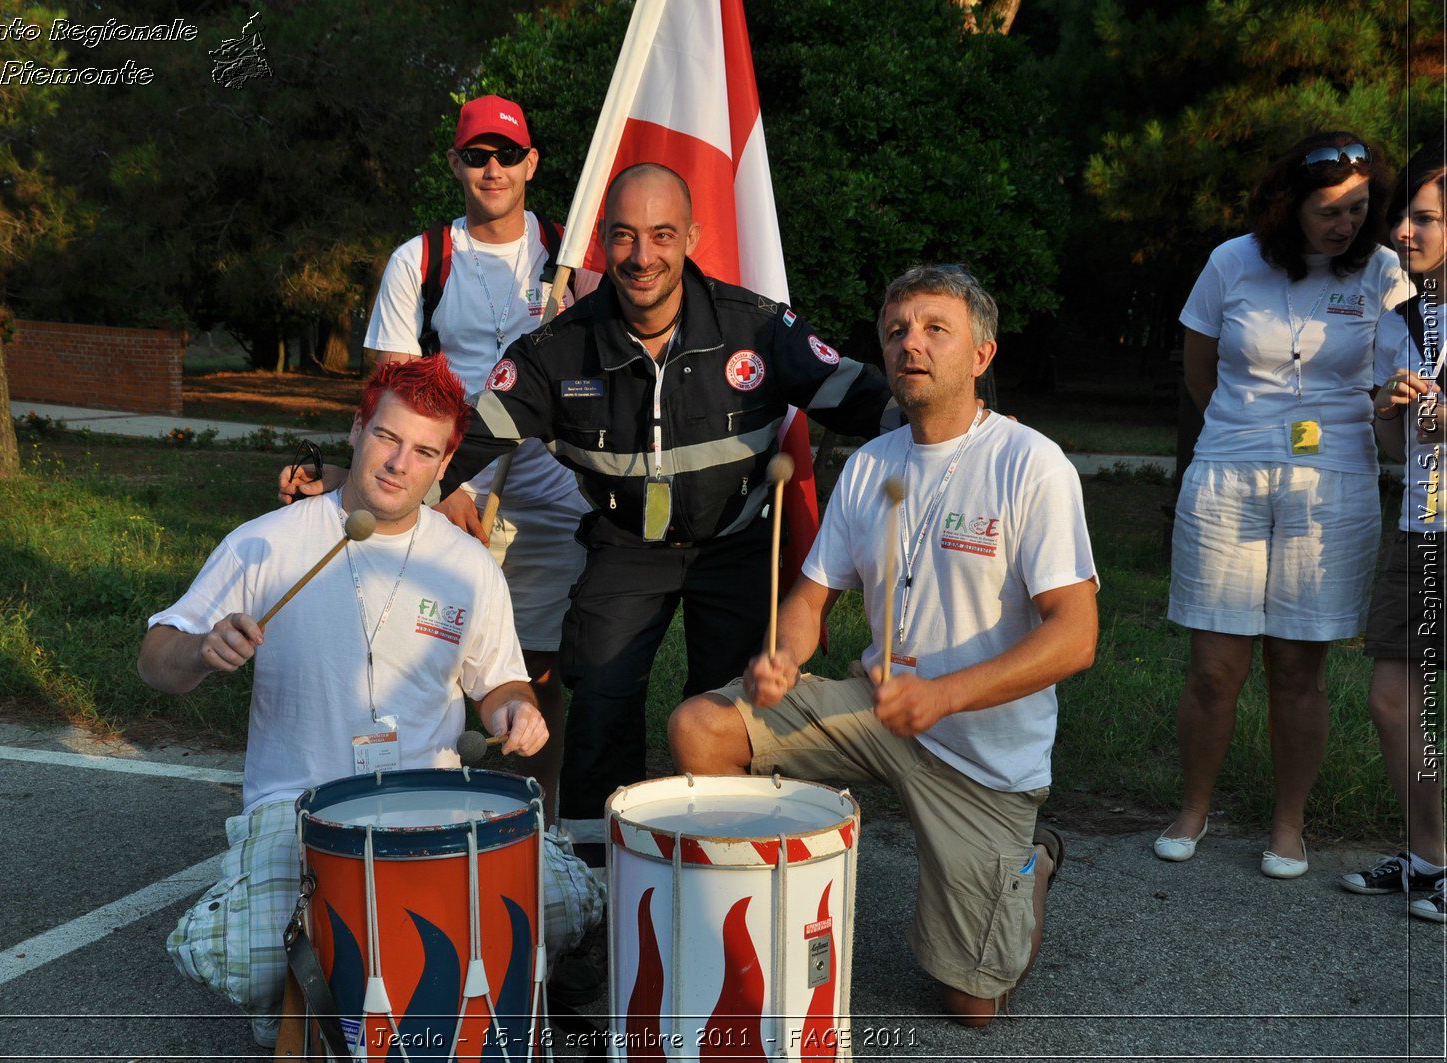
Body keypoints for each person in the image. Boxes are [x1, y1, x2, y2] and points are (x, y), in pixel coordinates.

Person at [667, 263, 1099, 1026]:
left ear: (982, 355)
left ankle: (1032, 866)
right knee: (700, 727)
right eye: (897, 330)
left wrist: (943, 694)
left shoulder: (1030, 464)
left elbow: (1077, 637)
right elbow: (810, 601)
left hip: (980, 758)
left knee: (971, 1004)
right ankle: (761, 923)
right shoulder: (870, 466)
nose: (912, 345)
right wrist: (785, 655)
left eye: (937, 329)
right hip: (875, 712)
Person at [435, 162, 891, 859]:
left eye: (661, 235)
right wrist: (378, 482)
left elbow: (861, 395)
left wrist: (963, 428)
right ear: (604, 243)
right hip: (625, 547)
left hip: (737, 547)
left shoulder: (758, 329)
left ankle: (724, 869)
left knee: (730, 713)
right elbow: (460, 437)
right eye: (623, 236)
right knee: (601, 708)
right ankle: (591, 885)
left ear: (692, 236)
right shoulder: (557, 349)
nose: (641, 256)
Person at [144, 358, 602, 1046]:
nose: (398, 463)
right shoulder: (269, 541)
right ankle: (301, 969)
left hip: (434, 804)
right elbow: (157, 660)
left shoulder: (467, 565)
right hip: (302, 807)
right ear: (357, 430)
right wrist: (204, 646)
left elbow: (498, 681)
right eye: (388, 437)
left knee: (569, 905)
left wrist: (513, 709)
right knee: (236, 957)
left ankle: (371, 979)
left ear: (446, 460)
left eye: (423, 450)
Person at [1158, 131, 1411, 877]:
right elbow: (1199, 368)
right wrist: (1247, 432)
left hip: (1333, 482)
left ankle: (1289, 825)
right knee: (1214, 666)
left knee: (1299, 666)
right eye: (1328, 210)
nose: (1345, 224)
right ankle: (1193, 809)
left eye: (1358, 208)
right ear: (1289, 206)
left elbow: (1393, 373)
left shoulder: (1385, 272)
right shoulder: (1231, 261)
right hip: (1229, 474)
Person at [341, 94, 595, 812]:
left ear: (532, 164)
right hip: (445, 481)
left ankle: (534, 821)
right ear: (456, 163)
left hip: (552, 488)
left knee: (536, 667)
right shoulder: (420, 259)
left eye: (508, 155)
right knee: (429, 650)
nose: (493, 169)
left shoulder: (573, 257)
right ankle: (433, 803)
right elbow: (391, 385)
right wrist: (442, 485)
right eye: (478, 155)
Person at [1343, 137, 1447, 920]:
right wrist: (1388, 414)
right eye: (1402, 219)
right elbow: (1392, 447)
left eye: (1424, 219)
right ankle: (1429, 858)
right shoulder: (1399, 321)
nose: (1402, 235)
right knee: (1391, 697)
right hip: (1420, 527)